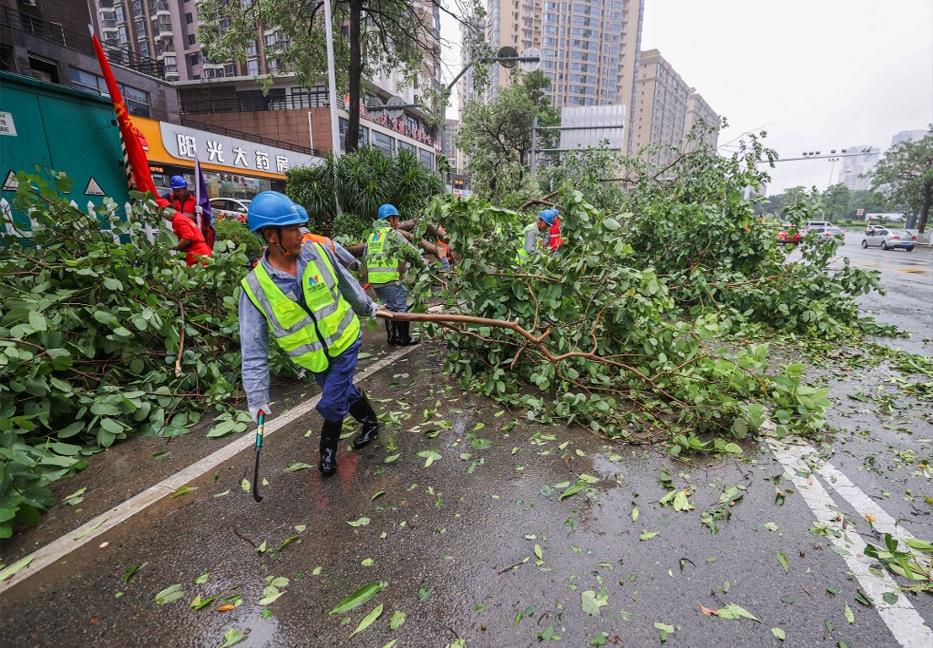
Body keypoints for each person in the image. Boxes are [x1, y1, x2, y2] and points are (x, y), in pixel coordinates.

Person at [239, 191, 383, 476]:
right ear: (271, 235)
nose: (302, 233)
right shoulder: (254, 287)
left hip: (345, 341)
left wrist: (368, 307)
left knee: (332, 400)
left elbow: (347, 283)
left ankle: (327, 451)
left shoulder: (317, 253)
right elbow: (253, 348)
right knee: (343, 392)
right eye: (293, 228)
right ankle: (371, 422)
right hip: (313, 358)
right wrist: (256, 398)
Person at [365, 203, 425, 346]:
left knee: (390, 307)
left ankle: (392, 338)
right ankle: (405, 338)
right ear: (390, 219)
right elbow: (410, 250)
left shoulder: (372, 235)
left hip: (375, 281)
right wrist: (424, 265)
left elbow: (364, 256)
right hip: (388, 279)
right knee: (401, 306)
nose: (397, 223)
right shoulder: (392, 234)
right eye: (396, 219)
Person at [292, 205, 362, 272]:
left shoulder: (286, 248)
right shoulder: (325, 241)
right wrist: (358, 266)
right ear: (307, 223)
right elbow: (351, 262)